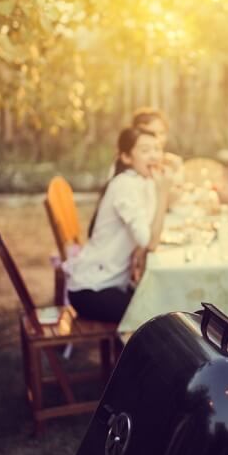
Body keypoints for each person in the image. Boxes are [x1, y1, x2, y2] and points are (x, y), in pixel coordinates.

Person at [67, 127, 172, 323]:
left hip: (115, 283)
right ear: (126, 157)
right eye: (145, 150)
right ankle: (135, 354)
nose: (154, 156)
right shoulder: (124, 185)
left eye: (157, 149)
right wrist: (163, 193)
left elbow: (146, 239)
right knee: (158, 319)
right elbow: (149, 241)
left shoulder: (145, 183)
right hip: (92, 289)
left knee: (166, 304)